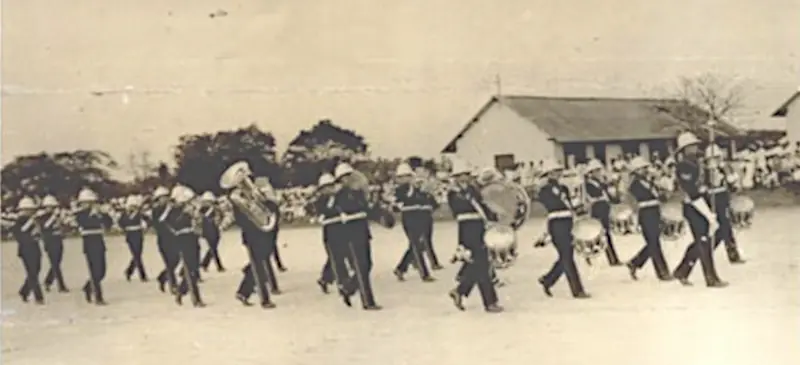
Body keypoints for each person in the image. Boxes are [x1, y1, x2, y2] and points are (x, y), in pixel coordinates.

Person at [671, 132, 728, 288]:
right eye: (691, 146)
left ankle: (682, 270)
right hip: (694, 207)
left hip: (704, 203)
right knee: (704, 241)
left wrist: (715, 172)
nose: (695, 148)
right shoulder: (683, 166)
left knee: (706, 240)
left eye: (695, 145)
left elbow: (709, 185)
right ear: (684, 149)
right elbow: (692, 192)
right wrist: (709, 214)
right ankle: (711, 278)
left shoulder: (699, 163)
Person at [446, 160, 503, 313]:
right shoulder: (453, 192)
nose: (465, 178)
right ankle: (490, 302)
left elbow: (485, 205)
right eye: (461, 175)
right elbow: (459, 208)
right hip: (466, 229)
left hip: (479, 227)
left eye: (466, 175)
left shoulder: (473, 190)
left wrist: (493, 219)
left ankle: (460, 291)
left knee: (480, 264)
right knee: (480, 264)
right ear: (456, 177)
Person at [536, 160, 590, 299]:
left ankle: (548, 279)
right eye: (555, 171)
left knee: (566, 256)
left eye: (559, 170)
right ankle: (577, 290)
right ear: (548, 174)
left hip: (567, 223)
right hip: (556, 224)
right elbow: (552, 206)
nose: (558, 173)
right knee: (567, 257)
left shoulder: (564, 188)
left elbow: (570, 205)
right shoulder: (544, 190)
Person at [334, 162, 381, 310]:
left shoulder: (359, 193)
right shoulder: (340, 194)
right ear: (341, 180)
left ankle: (347, 288)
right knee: (361, 266)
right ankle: (368, 301)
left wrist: (374, 204)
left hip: (362, 230)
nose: (349, 179)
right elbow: (346, 209)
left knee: (367, 264)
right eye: (345, 177)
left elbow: (367, 210)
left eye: (350, 176)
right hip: (350, 231)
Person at [233, 171, 280, 309]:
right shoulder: (238, 199)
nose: (245, 184)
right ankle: (264, 300)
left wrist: (263, 201)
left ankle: (243, 291)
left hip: (265, 234)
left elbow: (273, 208)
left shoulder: (259, 194)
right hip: (252, 235)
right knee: (260, 267)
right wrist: (253, 216)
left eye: (246, 181)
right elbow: (240, 220)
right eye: (242, 183)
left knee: (259, 265)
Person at [624, 157, 672, 281]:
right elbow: (638, 200)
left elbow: (659, 196)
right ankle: (662, 272)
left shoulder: (649, 182)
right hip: (646, 214)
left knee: (653, 243)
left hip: (655, 212)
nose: (646, 170)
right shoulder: (634, 185)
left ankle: (635, 262)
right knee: (654, 244)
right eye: (643, 169)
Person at [311, 173, 352, 305]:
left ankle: (325, 278)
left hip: (342, 230)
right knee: (336, 258)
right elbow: (320, 213)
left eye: (330, 186)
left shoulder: (340, 197)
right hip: (330, 231)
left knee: (340, 255)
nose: (328, 189)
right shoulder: (320, 201)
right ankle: (343, 284)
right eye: (325, 187)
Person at [392, 163, 437, 282]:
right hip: (409, 217)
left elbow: (431, 203)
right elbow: (399, 203)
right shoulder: (400, 190)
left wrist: (425, 191)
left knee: (417, 245)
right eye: (402, 177)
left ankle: (401, 268)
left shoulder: (419, 189)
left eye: (407, 176)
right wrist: (413, 189)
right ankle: (424, 274)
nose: (405, 179)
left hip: (421, 216)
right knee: (416, 244)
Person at [164, 185, 205, 307]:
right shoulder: (172, 210)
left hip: (193, 237)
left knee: (195, 268)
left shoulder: (190, 208)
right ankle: (196, 299)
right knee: (190, 269)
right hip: (182, 239)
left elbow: (198, 224)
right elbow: (170, 224)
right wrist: (184, 214)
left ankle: (181, 291)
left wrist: (197, 217)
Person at [704, 144, 746, 264]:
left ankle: (731, 254)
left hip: (723, 198)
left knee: (725, 228)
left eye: (718, 157)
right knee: (723, 228)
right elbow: (714, 183)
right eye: (714, 158)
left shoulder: (723, 168)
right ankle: (708, 250)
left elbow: (731, 184)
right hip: (714, 199)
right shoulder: (707, 171)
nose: (717, 160)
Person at [74, 188, 113, 305]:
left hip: (99, 242)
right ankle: (98, 297)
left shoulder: (99, 213)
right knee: (94, 271)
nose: (89, 205)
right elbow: (83, 223)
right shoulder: (80, 214)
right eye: (86, 202)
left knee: (102, 271)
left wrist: (103, 215)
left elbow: (108, 225)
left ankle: (88, 287)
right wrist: (93, 215)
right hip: (89, 243)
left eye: (91, 202)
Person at [2, 197, 45, 304]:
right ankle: (38, 297)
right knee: (32, 273)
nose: (30, 211)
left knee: (36, 270)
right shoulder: (19, 221)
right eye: (27, 209)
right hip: (25, 249)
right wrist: (31, 222)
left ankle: (24, 291)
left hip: (35, 247)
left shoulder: (33, 220)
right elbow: (21, 232)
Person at [583, 159, 621, 266]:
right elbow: (596, 195)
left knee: (601, 235)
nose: (599, 172)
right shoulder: (589, 184)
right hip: (597, 210)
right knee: (601, 235)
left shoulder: (600, 183)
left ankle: (610, 258)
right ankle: (612, 259)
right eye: (597, 171)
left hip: (604, 209)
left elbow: (611, 197)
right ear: (592, 172)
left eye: (599, 170)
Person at [38, 195, 69, 292]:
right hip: (49, 241)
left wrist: (63, 222)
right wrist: (53, 217)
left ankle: (48, 281)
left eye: (53, 206)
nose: (51, 208)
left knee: (56, 263)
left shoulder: (57, 215)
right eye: (49, 206)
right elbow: (45, 226)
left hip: (58, 240)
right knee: (55, 263)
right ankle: (61, 285)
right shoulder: (42, 216)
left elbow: (63, 227)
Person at [152, 186, 178, 294]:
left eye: (166, 197)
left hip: (174, 238)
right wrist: (167, 210)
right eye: (162, 197)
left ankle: (162, 277)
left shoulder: (173, 209)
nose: (165, 199)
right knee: (169, 262)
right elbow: (158, 222)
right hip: (163, 239)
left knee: (175, 261)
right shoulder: (156, 210)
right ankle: (174, 285)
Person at [118, 195, 149, 282]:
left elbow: (148, 220)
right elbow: (120, 223)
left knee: (137, 255)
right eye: (131, 205)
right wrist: (124, 229)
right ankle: (141, 275)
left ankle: (129, 271)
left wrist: (145, 226)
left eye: (134, 206)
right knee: (136, 256)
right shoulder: (124, 214)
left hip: (138, 235)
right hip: (130, 235)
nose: (132, 207)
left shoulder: (139, 213)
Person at [198, 191, 225, 272]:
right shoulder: (201, 210)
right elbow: (199, 220)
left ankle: (204, 263)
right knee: (213, 248)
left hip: (215, 230)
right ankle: (219, 266)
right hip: (207, 230)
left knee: (213, 248)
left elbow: (221, 216)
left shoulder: (216, 208)